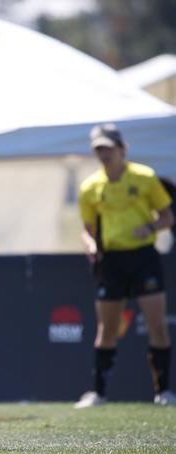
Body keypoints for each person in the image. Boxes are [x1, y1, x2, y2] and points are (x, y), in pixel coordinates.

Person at [75, 123, 175, 408]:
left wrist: (150, 227)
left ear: (121, 148)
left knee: (157, 325)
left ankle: (164, 391)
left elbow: (167, 217)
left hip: (144, 257)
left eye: (107, 147)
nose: (103, 154)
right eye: (99, 149)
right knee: (107, 329)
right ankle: (98, 392)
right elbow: (87, 227)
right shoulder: (91, 187)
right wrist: (91, 244)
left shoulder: (144, 178)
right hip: (112, 261)